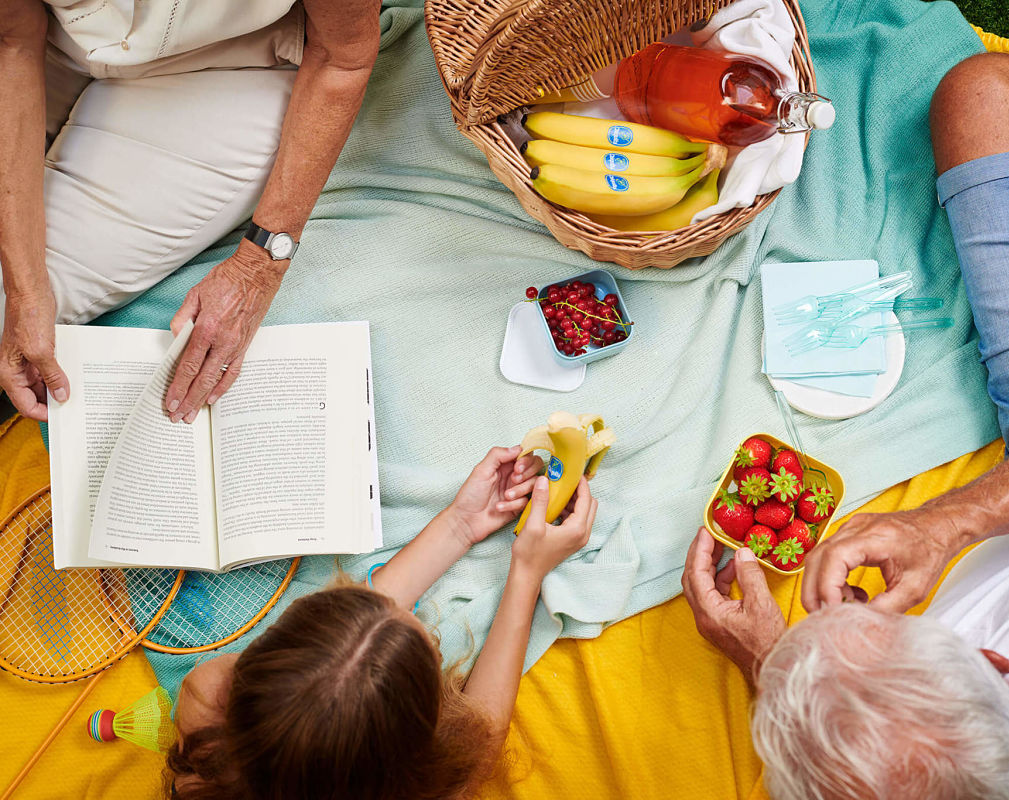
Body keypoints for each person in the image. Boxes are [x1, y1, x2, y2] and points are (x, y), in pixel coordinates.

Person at [683, 52, 1009, 800]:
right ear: (997, 663)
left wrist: (780, 666)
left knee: (981, 99)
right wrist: (943, 525)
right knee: (993, 98)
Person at [0, 0, 380, 425]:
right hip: (51, 42)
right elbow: (12, 38)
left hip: (231, 64)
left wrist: (258, 265)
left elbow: (342, 57)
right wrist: (25, 291)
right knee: (13, 311)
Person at [169, 446, 598, 800]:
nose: (405, 606)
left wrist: (461, 524)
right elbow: (479, 741)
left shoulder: (206, 700)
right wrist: (527, 574)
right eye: (428, 644)